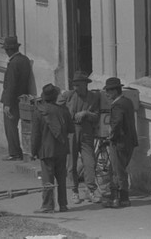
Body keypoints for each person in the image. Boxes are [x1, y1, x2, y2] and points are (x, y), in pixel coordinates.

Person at [57, 71, 101, 204]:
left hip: (87, 133)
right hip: (71, 133)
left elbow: (97, 116)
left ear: (85, 85)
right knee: (71, 165)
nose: (76, 88)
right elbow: (58, 109)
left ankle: (91, 190)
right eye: (74, 85)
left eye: (78, 85)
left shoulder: (93, 97)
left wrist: (86, 113)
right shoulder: (68, 95)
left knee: (90, 163)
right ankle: (74, 190)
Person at [31, 83, 75, 213]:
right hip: (61, 148)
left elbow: (35, 135)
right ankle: (63, 204)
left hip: (46, 150)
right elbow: (71, 129)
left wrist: (33, 151)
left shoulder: (39, 112)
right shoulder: (64, 110)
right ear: (56, 96)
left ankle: (48, 205)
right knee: (61, 178)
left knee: (48, 179)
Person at [102, 77, 138, 208]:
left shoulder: (117, 105)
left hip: (120, 142)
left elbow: (116, 123)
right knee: (120, 169)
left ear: (116, 91)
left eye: (109, 91)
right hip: (130, 142)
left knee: (117, 171)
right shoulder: (127, 102)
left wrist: (111, 136)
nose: (107, 94)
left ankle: (120, 199)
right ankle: (120, 198)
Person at [0, 36, 32, 161]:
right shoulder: (24, 60)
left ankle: (14, 152)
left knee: (10, 127)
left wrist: (7, 103)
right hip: (23, 98)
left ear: (8, 50)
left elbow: (11, 84)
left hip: (12, 101)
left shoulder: (13, 63)